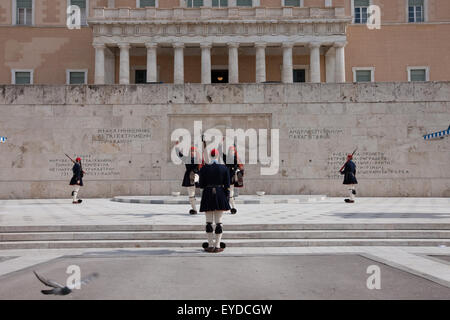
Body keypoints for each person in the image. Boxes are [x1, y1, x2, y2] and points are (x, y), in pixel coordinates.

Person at [199, 149, 231, 253]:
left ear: (210, 155)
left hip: (208, 194)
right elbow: (227, 185)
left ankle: (209, 245)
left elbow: (201, 185)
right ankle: (217, 246)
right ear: (217, 156)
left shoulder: (204, 168)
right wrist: (226, 197)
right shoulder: (224, 168)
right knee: (219, 223)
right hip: (220, 193)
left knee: (208, 222)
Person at [175, 142, 203, 214]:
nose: (192, 152)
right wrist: (177, 146)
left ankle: (204, 207)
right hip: (189, 177)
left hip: (196, 177)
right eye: (191, 151)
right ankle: (194, 209)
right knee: (191, 195)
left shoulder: (199, 159)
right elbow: (179, 154)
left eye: (193, 151)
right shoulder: (187, 159)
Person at [222, 145, 244, 214]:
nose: (232, 152)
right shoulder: (227, 157)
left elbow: (240, 167)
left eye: (233, 150)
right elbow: (221, 152)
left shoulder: (236, 158)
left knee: (230, 194)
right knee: (227, 194)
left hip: (230, 177)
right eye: (231, 150)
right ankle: (231, 207)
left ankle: (233, 207)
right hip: (226, 177)